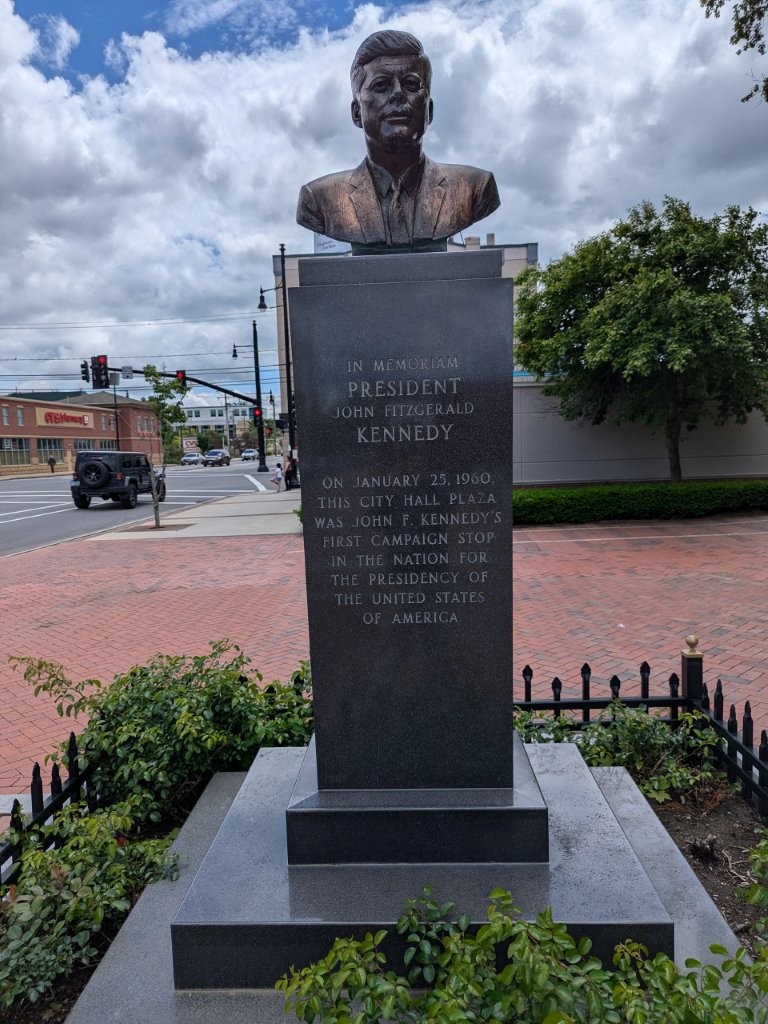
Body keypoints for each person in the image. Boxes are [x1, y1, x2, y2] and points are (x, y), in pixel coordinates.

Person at [296, 30, 500, 254]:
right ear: (356, 113)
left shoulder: (476, 189)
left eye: (411, 85)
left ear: (428, 110)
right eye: (381, 86)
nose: (397, 94)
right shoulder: (319, 200)